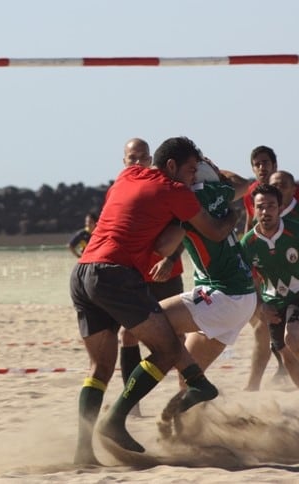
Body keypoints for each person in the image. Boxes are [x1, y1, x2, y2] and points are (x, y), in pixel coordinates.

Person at [70, 136, 237, 465]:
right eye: (190, 170)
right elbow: (215, 232)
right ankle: (118, 419)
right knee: (167, 347)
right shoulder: (177, 192)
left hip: (82, 272)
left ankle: (83, 452)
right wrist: (231, 212)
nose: (193, 177)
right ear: (172, 166)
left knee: (100, 368)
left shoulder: (127, 176)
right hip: (114, 274)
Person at [156, 158, 257, 400]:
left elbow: (166, 244)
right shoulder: (219, 191)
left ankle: (127, 404)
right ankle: (204, 427)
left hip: (223, 295)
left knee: (152, 322)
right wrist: (212, 170)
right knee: (188, 379)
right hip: (242, 297)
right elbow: (242, 183)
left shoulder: (190, 200)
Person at [241, 184, 299, 410]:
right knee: (287, 359)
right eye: (260, 207)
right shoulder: (248, 244)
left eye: (271, 206)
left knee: (293, 337)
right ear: (253, 210)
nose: (266, 212)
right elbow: (249, 280)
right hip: (273, 301)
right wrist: (261, 305)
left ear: (280, 208)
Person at [118, 137, 185, 417]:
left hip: (169, 275)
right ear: (124, 162)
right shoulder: (121, 190)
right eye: (132, 158)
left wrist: (170, 259)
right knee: (127, 336)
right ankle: (132, 403)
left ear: (151, 161)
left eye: (143, 157)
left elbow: (185, 228)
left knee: (178, 339)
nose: (138, 163)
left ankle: (186, 396)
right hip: (137, 277)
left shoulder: (161, 187)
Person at [242, 145, 299, 235]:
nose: (261, 167)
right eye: (257, 165)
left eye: (265, 163)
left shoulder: (293, 190)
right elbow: (250, 223)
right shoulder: (250, 194)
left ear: (275, 165)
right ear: (253, 169)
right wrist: (243, 248)